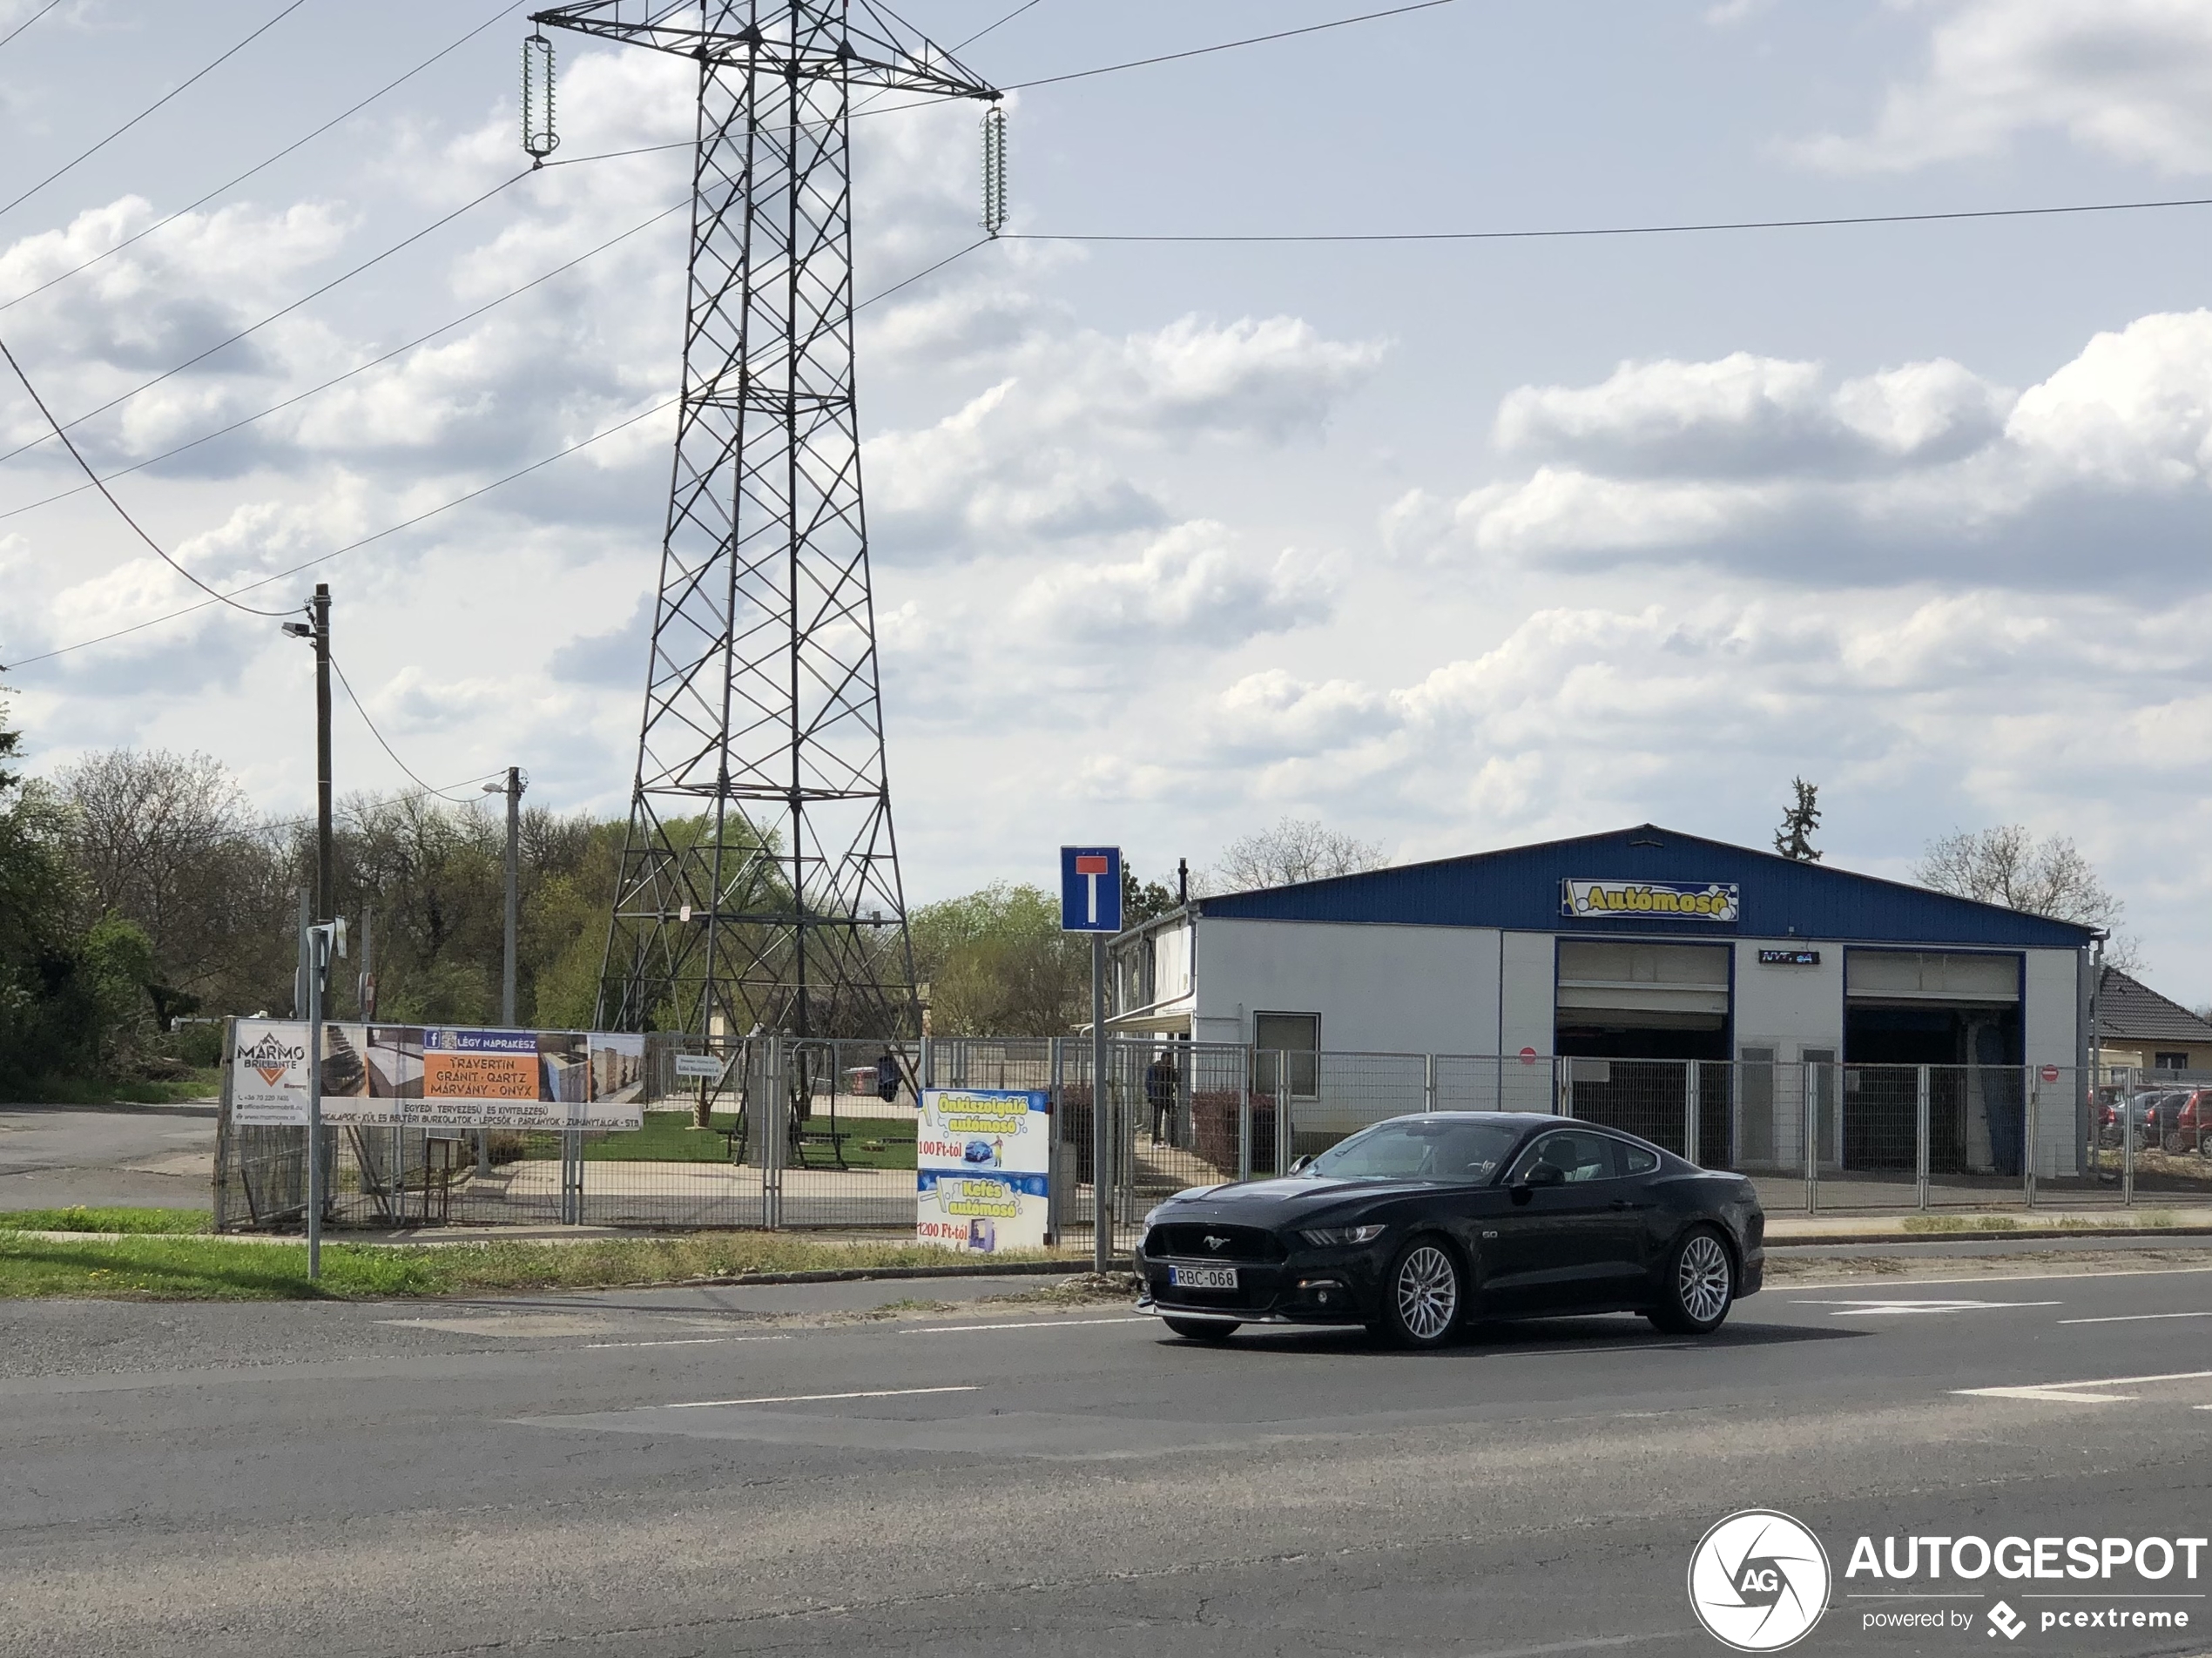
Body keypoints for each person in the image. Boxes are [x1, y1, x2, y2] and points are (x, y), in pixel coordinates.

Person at [1145, 1048, 1179, 1147]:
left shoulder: (1170, 1070)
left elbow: (1176, 1080)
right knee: (1157, 1120)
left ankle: (1171, 1141)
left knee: (1173, 1117)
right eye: (1168, 1060)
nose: (1169, 1063)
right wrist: (1152, 1094)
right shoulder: (1153, 1068)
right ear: (1163, 1059)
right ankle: (1155, 1141)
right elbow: (1148, 1082)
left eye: (1170, 1061)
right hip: (1157, 1098)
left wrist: (1173, 1072)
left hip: (1168, 1098)